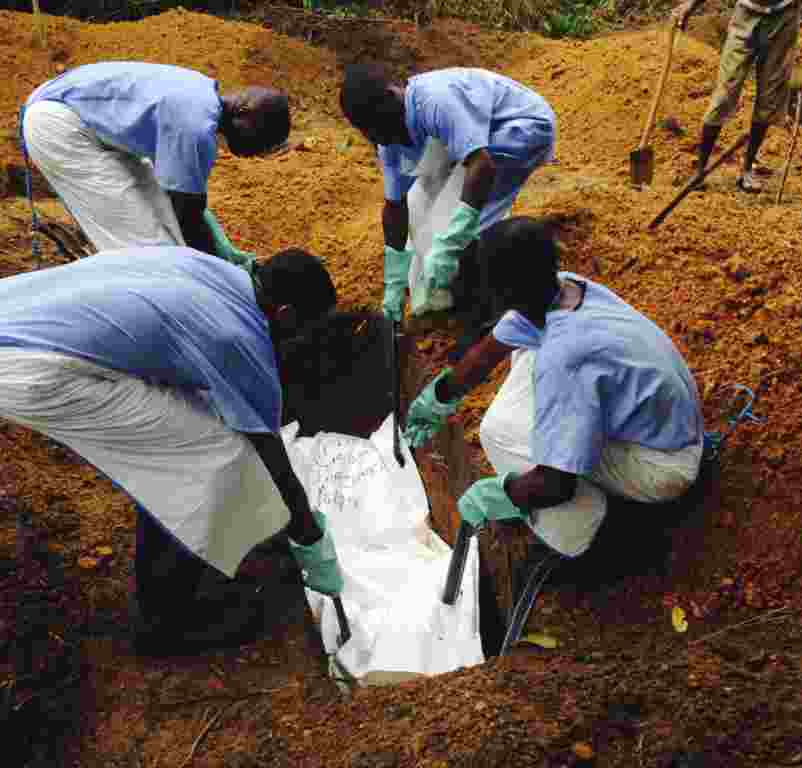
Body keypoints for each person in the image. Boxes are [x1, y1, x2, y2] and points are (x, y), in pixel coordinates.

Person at [0, 246, 342, 655]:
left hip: (18, 313)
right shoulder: (234, 335)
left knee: (189, 437)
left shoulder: (217, 273)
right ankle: (169, 622)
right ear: (284, 314)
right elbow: (270, 457)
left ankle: (175, 576)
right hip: (34, 366)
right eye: (304, 329)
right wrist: (309, 538)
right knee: (211, 460)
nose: (300, 340)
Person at [402, 217, 705, 560]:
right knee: (526, 355)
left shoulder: (563, 359)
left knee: (501, 435)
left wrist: (500, 494)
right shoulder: (566, 289)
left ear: (502, 292)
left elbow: (556, 485)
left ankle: (596, 538)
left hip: (662, 465)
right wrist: (437, 398)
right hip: (672, 423)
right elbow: (485, 356)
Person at [339, 64, 557, 328]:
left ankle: (490, 303)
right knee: (422, 215)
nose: (374, 137)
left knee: (463, 225)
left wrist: (450, 244)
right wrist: (394, 286)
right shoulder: (387, 134)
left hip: (523, 127)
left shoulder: (435, 101)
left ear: (390, 97)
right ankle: (452, 286)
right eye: (366, 131)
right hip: (479, 143)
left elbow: (482, 166)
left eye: (375, 127)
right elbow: (396, 209)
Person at [20, 62, 291, 270]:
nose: (258, 152)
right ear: (244, 112)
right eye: (263, 138)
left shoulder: (201, 97)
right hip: (61, 125)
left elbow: (181, 207)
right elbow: (188, 216)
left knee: (163, 226)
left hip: (92, 127)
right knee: (147, 251)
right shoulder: (196, 126)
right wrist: (224, 272)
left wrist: (220, 259)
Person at [671, 0, 800, 193]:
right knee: (725, 93)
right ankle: (700, 170)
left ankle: (747, 170)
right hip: (746, 14)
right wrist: (690, 5)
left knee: (769, 97)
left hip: (784, 16)